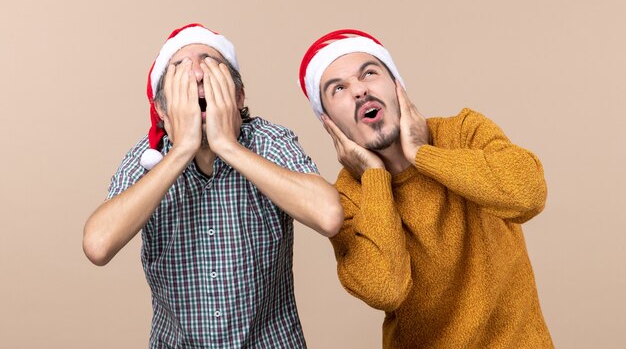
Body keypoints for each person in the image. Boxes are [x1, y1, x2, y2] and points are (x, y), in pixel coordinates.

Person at [83, 23, 343, 348]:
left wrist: (227, 145)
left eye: (209, 63)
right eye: (179, 69)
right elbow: (97, 245)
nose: (196, 73)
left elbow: (329, 215)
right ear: (162, 109)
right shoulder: (147, 158)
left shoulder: (269, 141)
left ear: (238, 96)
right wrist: (181, 151)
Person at [298, 29, 554, 349]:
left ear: (397, 86)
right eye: (338, 88)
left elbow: (528, 195)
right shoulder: (348, 196)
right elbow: (385, 289)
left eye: (370, 74)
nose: (360, 91)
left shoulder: (463, 131)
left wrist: (422, 154)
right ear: (328, 122)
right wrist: (375, 176)